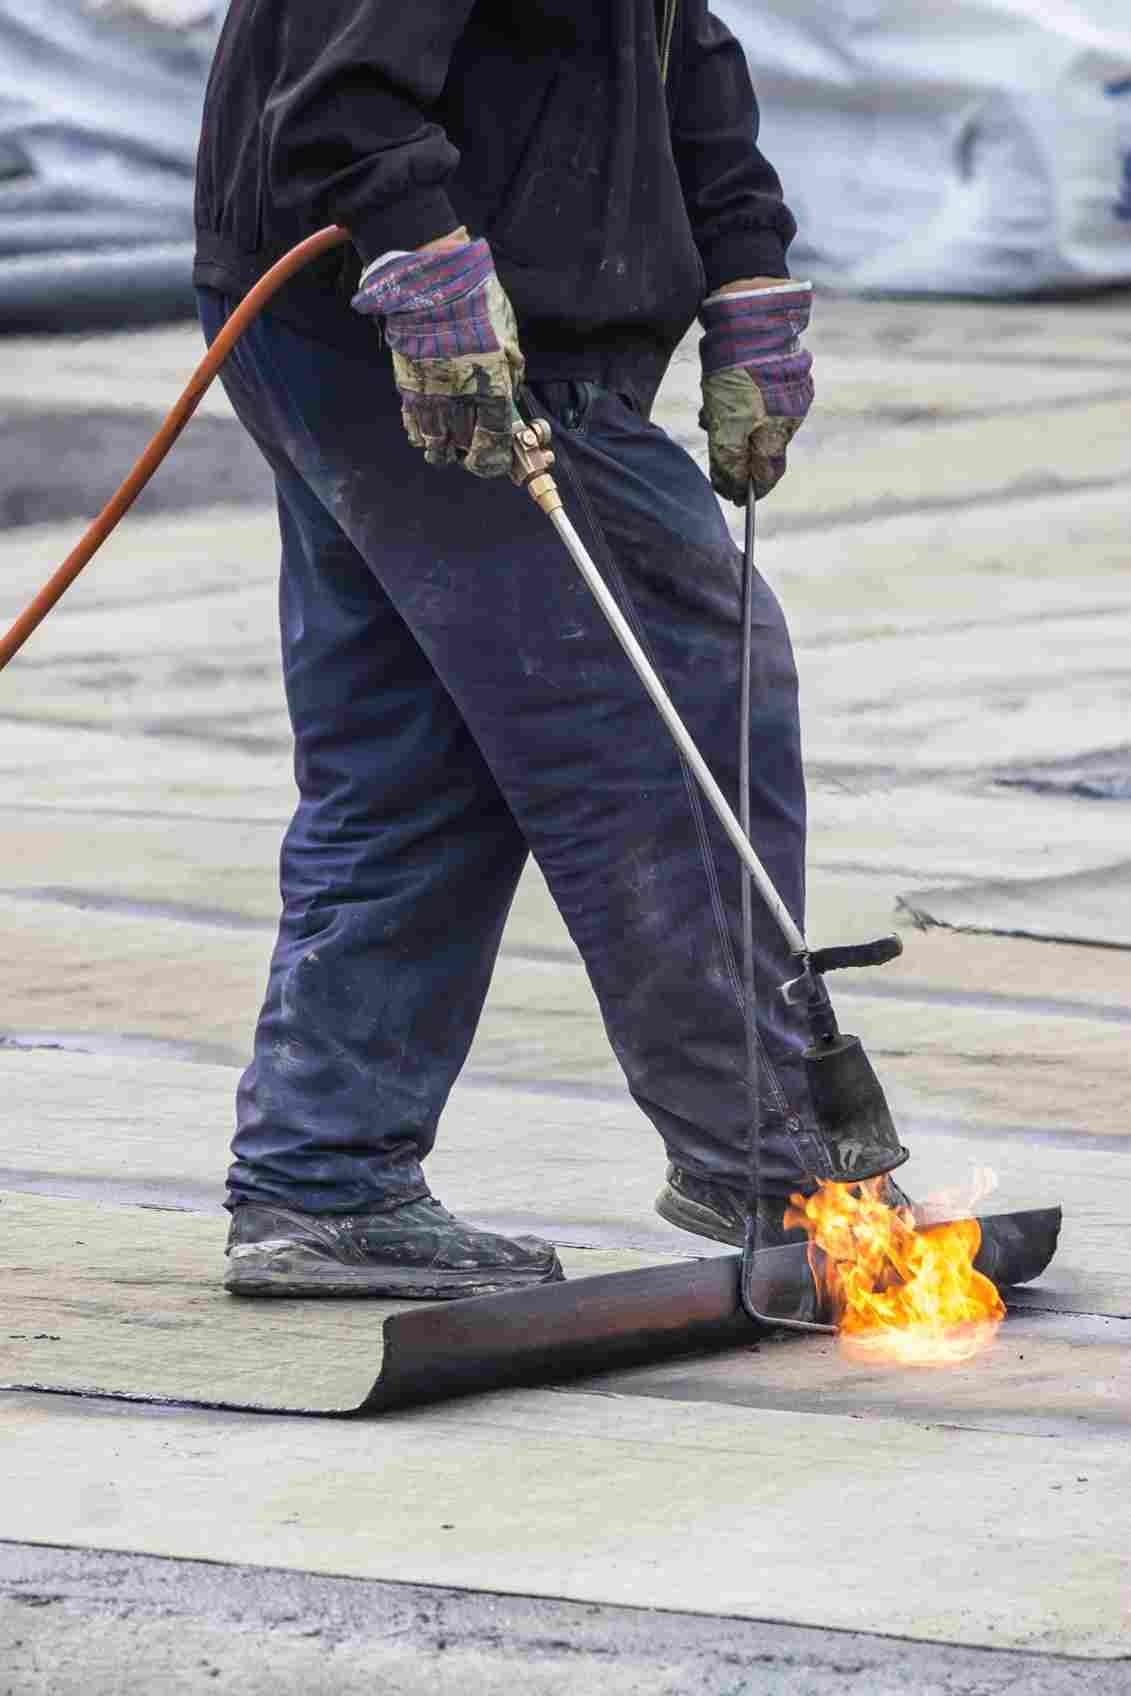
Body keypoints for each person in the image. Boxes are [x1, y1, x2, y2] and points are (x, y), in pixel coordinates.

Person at [194, 0, 829, 1299]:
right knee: (676, 705)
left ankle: (325, 1183)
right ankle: (778, 1159)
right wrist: (426, 261)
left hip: (360, 316)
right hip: (440, 313)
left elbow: (668, 34)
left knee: (423, 759)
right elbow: (342, 85)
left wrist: (746, 259)